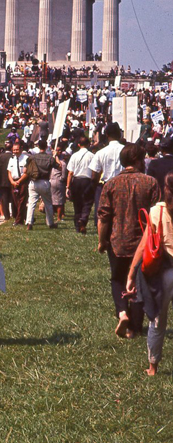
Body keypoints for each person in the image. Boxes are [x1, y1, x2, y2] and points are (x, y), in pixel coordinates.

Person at [98, 143, 160, 340]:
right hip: (142, 242)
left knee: (117, 279)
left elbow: (103, 217)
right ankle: (134, 327)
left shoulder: (110, 184)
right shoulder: (150, 183)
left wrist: (102, 241)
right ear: (137, 160)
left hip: (117, 240)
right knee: (140, 284)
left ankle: (122, 312)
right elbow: (156, 214)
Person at [127, 173, 173, 376]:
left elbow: (146, 243)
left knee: (158, 319)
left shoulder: (157, 211)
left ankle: (153, 366)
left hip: (163, 271)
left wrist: (131, 273)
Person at [24, 139, 58, 230]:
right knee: (48, 204)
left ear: (38, 147)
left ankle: (29, 223)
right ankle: (50, 223)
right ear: (46, 147)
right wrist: (56, 156)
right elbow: (59, 167)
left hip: (33, 182)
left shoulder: (32, 157)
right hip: (45, 182)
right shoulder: (50, 158)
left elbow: (25, 170)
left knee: (31, 203)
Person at [66, 136, 96, 234]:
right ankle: (83, 219)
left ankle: (77, 225)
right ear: (88, 144)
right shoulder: (92, 156)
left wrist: (68, 186)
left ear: (78, 144)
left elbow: (70, 172)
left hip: (76, 181)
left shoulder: (74, 156)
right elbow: (94, 171)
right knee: (87, 203)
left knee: (77, 204)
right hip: (87, 181)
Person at [7, 141, 29, 226]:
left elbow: (27, 173)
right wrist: (12, 182)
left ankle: (19, 221)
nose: (15, 151)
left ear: (21, 149)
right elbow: (9, 172)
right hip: (14, 182)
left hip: (22, 181)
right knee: (16, 201)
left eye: (17, 150)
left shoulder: (26, 158)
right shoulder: (11, 159)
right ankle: (24, 216)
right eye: (14, 150)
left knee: (22, 201)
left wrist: (19, 181)